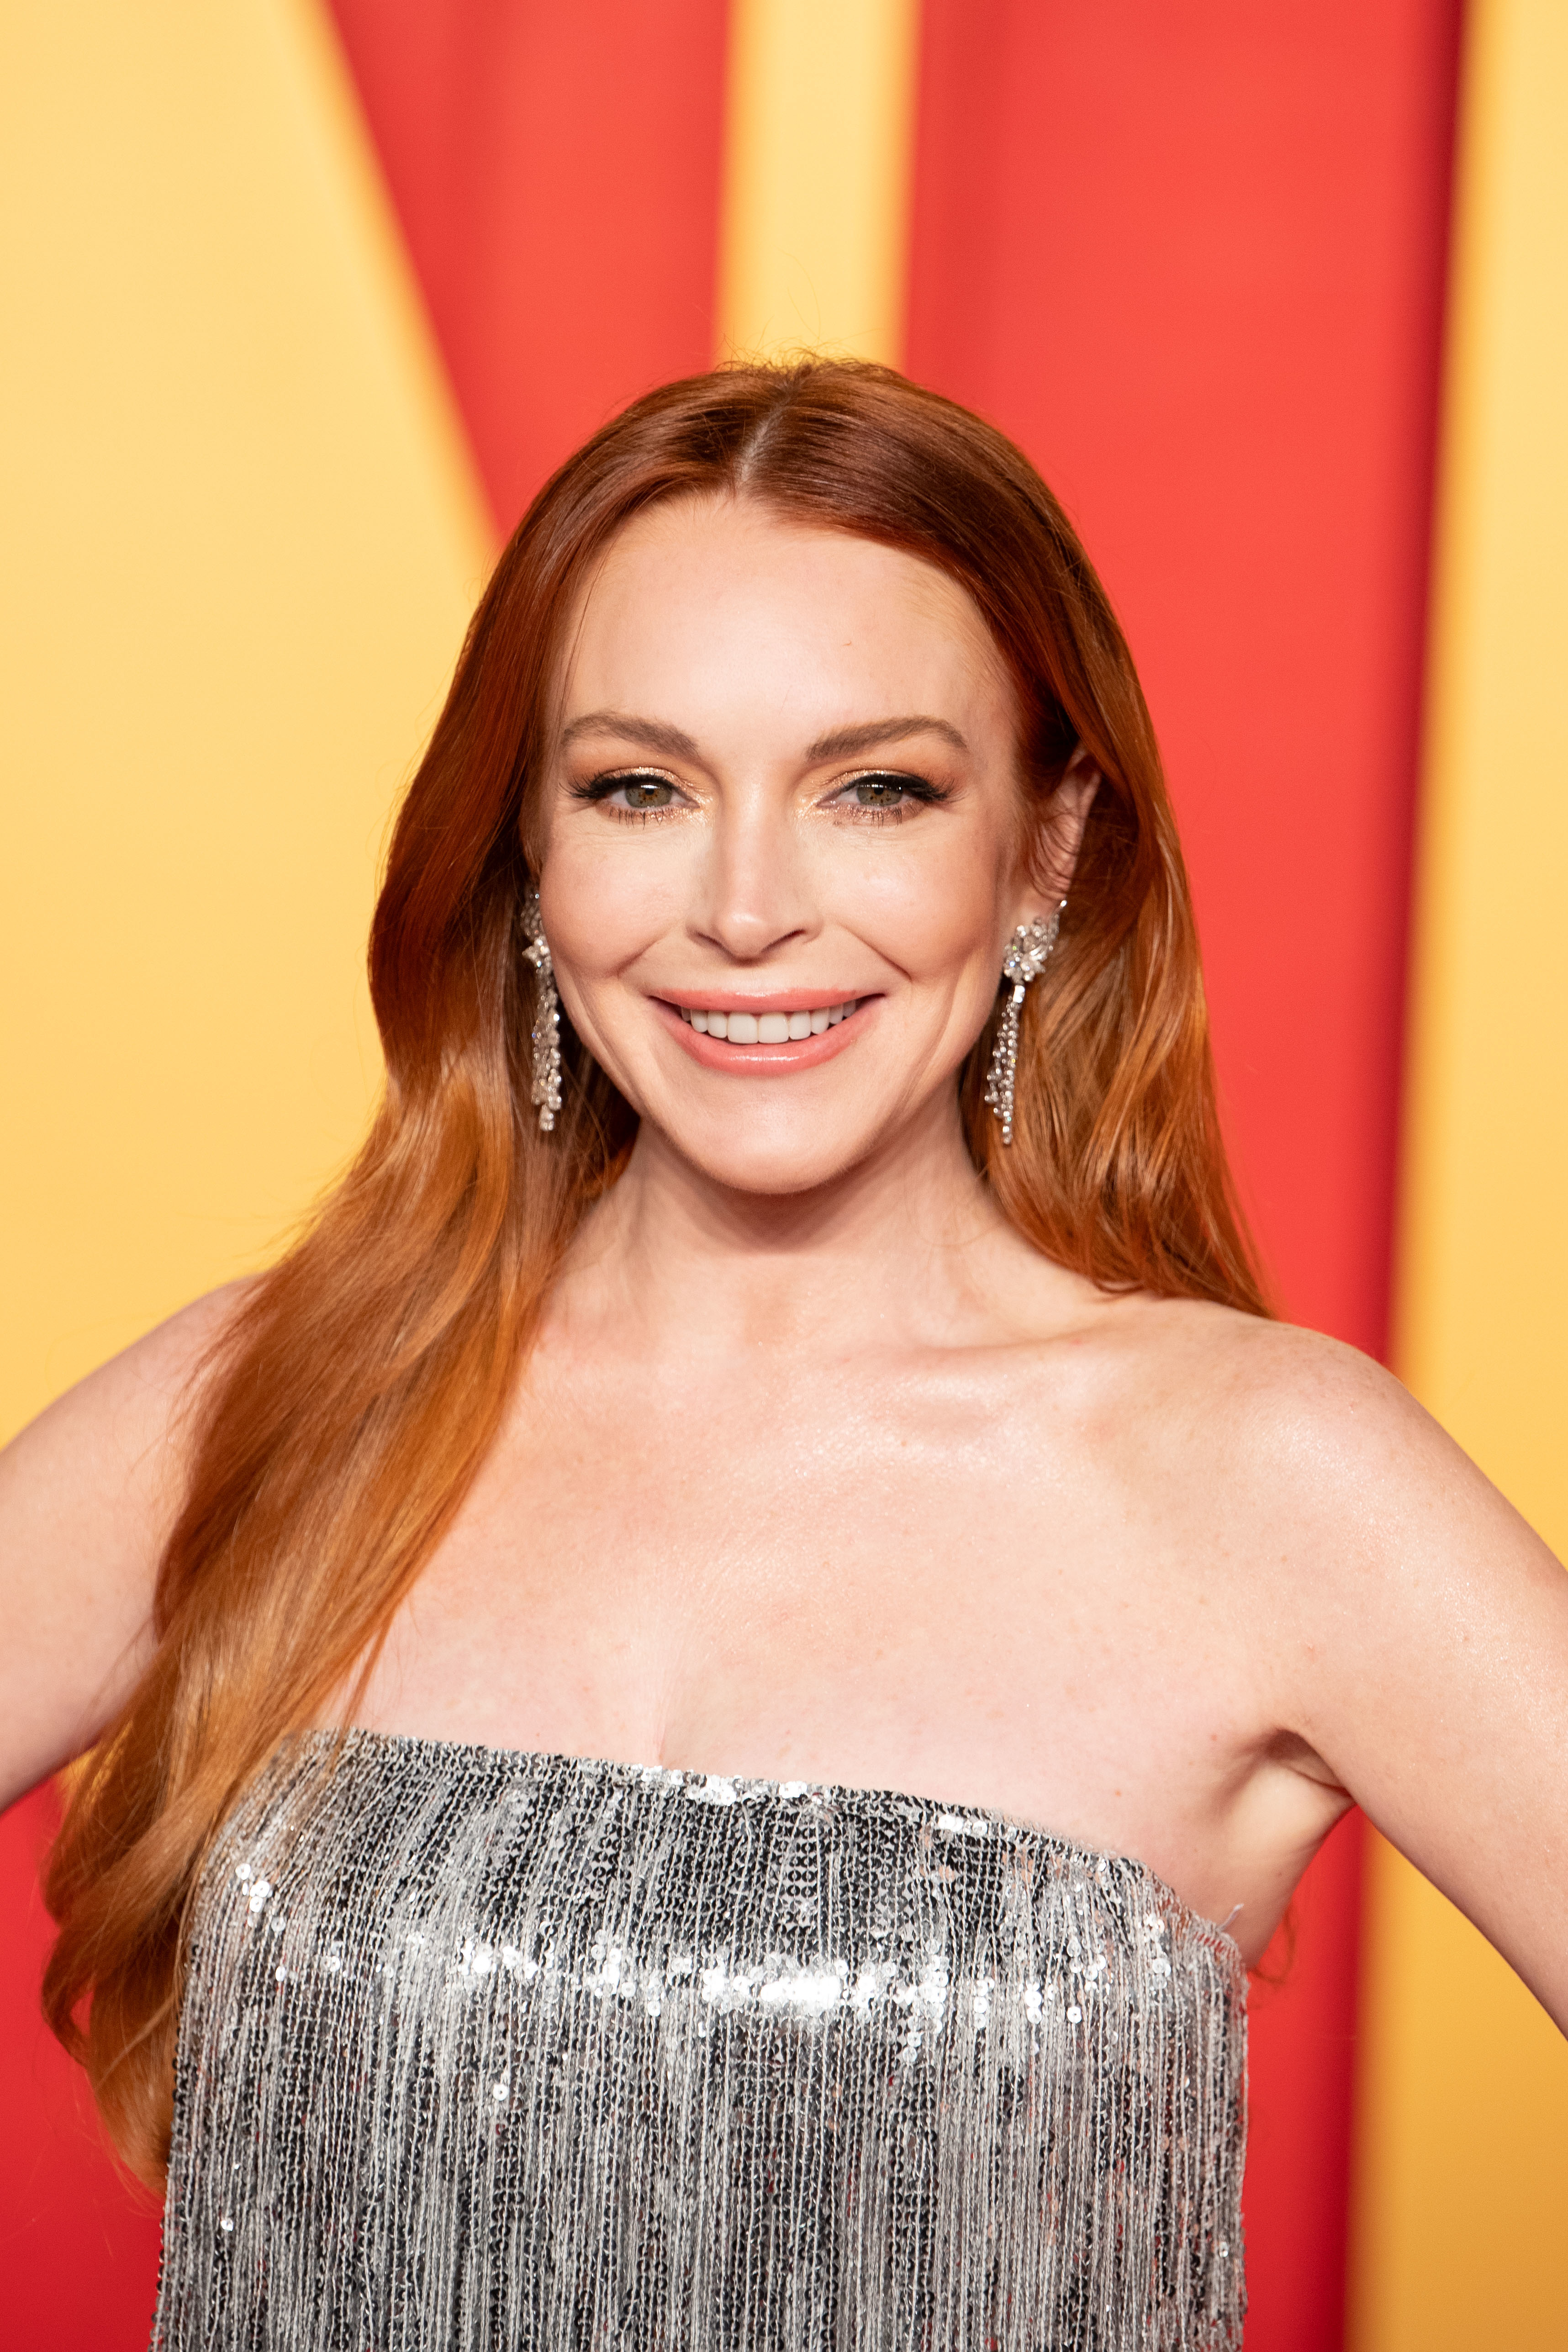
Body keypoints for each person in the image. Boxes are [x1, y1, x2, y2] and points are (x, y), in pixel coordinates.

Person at [3, 361, 1563, 2350]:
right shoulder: (285, 1399)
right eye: (639, 789)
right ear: (528, 863)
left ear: (1046, 849)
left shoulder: (1267, 1479)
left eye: (877, 789)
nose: (746, 908)